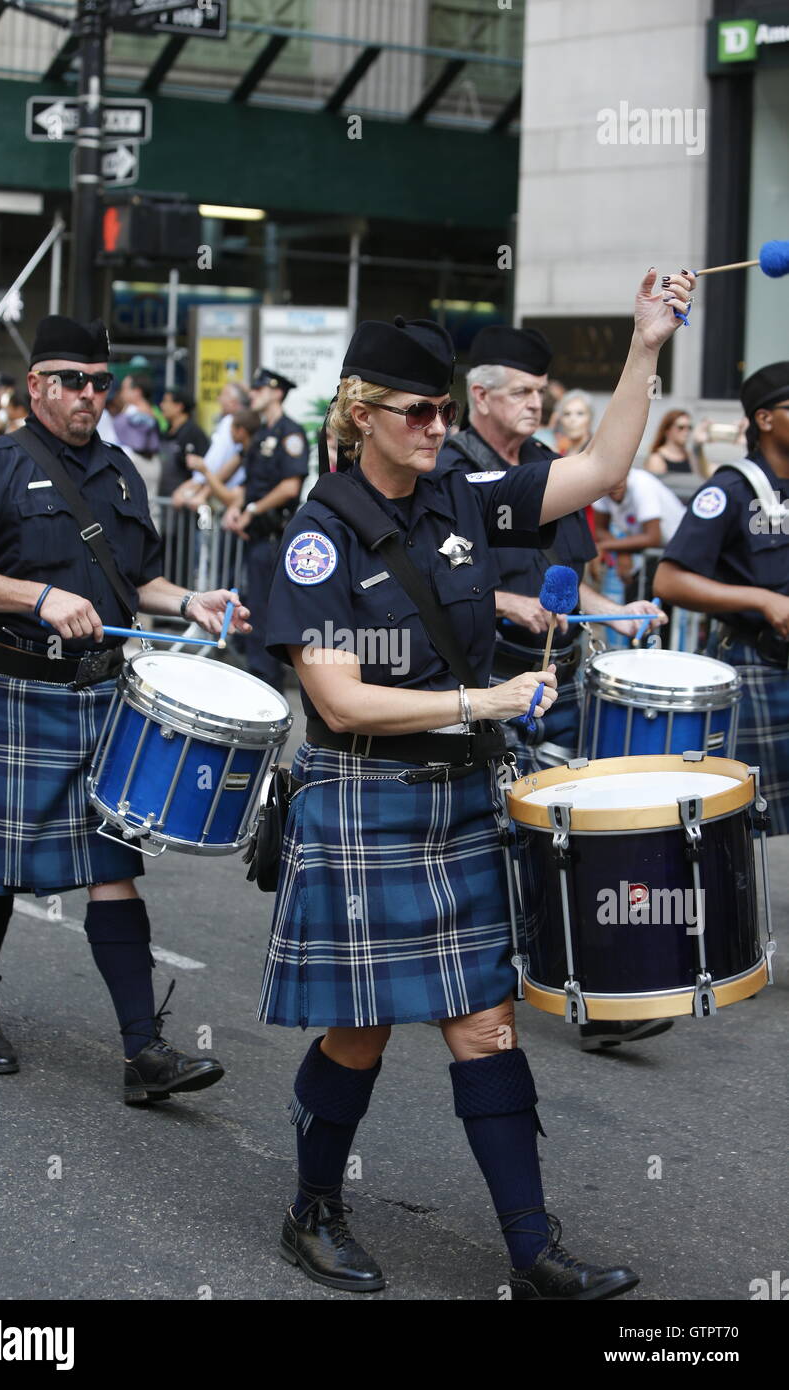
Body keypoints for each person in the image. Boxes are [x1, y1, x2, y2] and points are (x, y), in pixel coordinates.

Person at [259, 270, 693, 1298]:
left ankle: (530, 1247)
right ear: (361, 412)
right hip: (363, 795)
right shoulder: (318, 535)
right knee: (358, 1030)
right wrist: (479, 703)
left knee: (483, 1020)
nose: (436, 425)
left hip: (451, 802)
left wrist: (643, 346)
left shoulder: (459, 492)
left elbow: (597, 467)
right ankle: (312, 1207)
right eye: (419, 410)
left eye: (447, 409)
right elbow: (339, 700)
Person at [0, 314, 250, 1103]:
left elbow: (133, 583)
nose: (89, 395)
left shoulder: (122, 472)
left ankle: (145, 1053)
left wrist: (189, 600)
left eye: (101, 382)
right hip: (13, 690)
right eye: (73, 381)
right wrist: (35, 595)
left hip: (100, 694)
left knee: (114, 867)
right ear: (36, 385)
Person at [438, 326, 669, 1054]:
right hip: (480, 681)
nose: (539, 403)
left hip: (555, 675)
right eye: (524, 392)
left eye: (544, 391)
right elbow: (432, 578)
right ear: (480, 395)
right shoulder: (442, 468)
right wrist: (508, 604)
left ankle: (593, 990)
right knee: (498, 838)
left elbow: (575, 586)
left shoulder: (548, 467)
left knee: (568, 830)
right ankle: (457, 976)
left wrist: (619, 613)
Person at [654, 360, 789, 837]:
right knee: (765, 821)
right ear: (765, 419)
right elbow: (668, 581)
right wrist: (764, 600)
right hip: (759, 662)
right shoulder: (730, 488)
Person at [223, 368, 309, 693]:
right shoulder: (260, 436)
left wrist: (252, 510)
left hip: (275, 538)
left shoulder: (291, 434)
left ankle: (267, 681)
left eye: (259, 389)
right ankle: (257, 673)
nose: (253, 394)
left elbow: (290, 486)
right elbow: (250, 484)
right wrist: (236, 507)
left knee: (265, 610)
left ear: (277, 392)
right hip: (254, 537)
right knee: (251, 607)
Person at [593, 467, 686, 604]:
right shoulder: (601, 489)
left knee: (650, 599)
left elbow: (653, 537)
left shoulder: (642, 485)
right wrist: (621, 553)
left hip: (678, 550)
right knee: (635, 595)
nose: (614, 488)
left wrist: (605, 546)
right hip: (658, 552)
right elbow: (600, 529)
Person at [158, 388, 210, 499]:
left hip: (183, 501)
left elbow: (204, 470)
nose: (162, 405)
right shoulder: (166, 432)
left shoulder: (194, 434)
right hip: (164, 497)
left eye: (166, 401)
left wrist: (188, 492)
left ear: (179, 406)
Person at [643, 408, 709, 478]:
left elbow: (703, 475)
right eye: (681, 427)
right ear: (667, 430)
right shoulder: (656, 459)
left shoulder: (690, 457)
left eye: (689, 427)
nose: (686, 432)